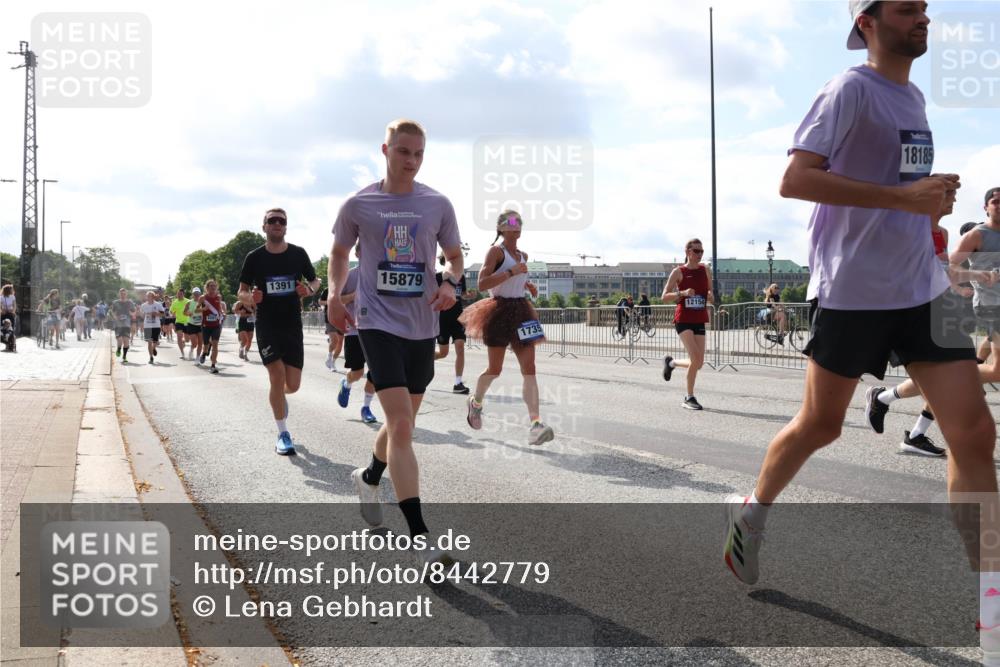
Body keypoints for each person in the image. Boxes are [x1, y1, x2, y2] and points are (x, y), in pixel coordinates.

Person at [721, 8, 998, 657]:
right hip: (853, 288)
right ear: (869, 21)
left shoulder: (915, 96)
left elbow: (901, 185)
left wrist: (930, 197)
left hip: (923, 282)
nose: (923, 16)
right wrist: (905, 198)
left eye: (926, 7)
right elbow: (795, 178)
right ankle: (752, 512)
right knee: (819, 424)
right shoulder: (849, 90)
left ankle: (990, 607)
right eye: (908, 7)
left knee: (975, 431)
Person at [328, 118, 463, 565]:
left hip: (422, 326)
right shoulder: (359, 204)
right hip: (375, 323)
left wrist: (450, 285)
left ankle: (368, 477)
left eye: (419, 154)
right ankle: (422, 538)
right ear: (385, 150)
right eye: (403, 151)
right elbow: (338, 253)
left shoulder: (437, 204)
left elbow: (457, 259)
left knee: (401, 424)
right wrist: (333, 294)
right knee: (403, 426)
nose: (411, 161)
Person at [864, 190, 998, 456]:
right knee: (957, 375)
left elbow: (945, 270)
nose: (954, 200)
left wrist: (958, 286)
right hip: (921, 310)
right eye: (948, 195)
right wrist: (977, 277)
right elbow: (946, 269)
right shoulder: (917, 230)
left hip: (939, 308)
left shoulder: (943, 233)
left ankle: (907, 425)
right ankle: (885, 401)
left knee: (945, 375)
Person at [461, 209, 554, 445]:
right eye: (512, 222)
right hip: (498, 312)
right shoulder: (495, 251)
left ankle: (535, 424)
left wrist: (528, 285)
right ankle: (476, 402)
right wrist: (512, 272)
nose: (517, 226)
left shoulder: (523, 254)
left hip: (522, 312)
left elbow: (515, 280)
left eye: (519, 222)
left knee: (530, 368)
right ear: (501, 228)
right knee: (495, 369)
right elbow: (482, 283)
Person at [238, 207, 319, 455]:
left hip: (292, 324)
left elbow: (316, 281)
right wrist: (250, 297)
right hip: (267, 324)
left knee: (291, 385)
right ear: (264, 226)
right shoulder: (254, 257)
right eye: (271, 220)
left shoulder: (298, 254)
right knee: (276, 375)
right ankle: (283, 433)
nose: (276, 224)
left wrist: (309, 289)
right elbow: (241, 291)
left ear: (285, 226)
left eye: (280, 221)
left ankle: (279, 398)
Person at [661, 239, 714, 410]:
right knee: (696, 359)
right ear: (688, 252)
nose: (700, 254)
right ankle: (689, 397)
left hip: (699, 317)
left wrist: (710, 295)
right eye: (696, 251)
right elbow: (664, 296)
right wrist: (682, 292)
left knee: (698, 362)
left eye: (702, 251)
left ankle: (672, 363)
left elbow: (710, 290)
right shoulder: (678, 271)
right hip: (683, 318)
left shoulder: (705, 270)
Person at [335, 244, 379, 423]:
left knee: (376, 372)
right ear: (358, 253)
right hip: (355, 329)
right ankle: (346, 383)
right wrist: (354, 295)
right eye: (364, 250)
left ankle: (366, 408)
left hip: (378, 328)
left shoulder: (380, 273)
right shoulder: (350, 275)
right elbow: (337, 299)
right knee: (358, 371)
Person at [434, 253, 470, 393]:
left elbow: (462, 294)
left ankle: (458, 383)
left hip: (458, 318)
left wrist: (468, 295)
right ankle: (422, 360)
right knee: (443, 353)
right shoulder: (437, 277)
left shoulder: (460, 277)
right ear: (444, 262)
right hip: (442, 319)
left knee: (460, 348)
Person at [199, 279, 226, 374]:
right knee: (206, 345)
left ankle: (213, 365)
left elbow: (219, 308)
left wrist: (222, 313)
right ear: (207, 287)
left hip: (216, 325)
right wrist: (204, 308)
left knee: (215, 345)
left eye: (215, 286)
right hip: (206, 325)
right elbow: (196, 310)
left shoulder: (219, 297)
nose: (213, 287)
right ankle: (204, 353)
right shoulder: (202, 298)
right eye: (211, 286)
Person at [318, 286, 344, 371]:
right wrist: (330, 302)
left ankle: (333, 362)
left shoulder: (345, 288)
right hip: (330, 317)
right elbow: (320, 302)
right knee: (335, 340)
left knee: (340, 343)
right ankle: (329, 356)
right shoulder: (327, 289)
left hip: (342, 317)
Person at [139, 291, 165, 365]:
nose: (149, 298)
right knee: (149, 342)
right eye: (148, 296)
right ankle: (151, 357)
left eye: (150, 296)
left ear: (153, 297)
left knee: (156, 342)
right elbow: (141, 315)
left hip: (156, 325)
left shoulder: (158, 304)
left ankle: (154, 348)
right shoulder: (143, 305)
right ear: (146, 297)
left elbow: (163, 314)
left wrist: (156, 314)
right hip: (147, 326)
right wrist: (143, 314)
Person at [111, 288, 135, 362]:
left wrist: (131, 314)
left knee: (126, 341)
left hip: (126, 324)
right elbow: (112, 312)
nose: (123, 295)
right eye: (121, 294)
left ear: (126, 294)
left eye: (124, 294)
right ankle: (118, 349)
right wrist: (116, 317)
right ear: (119, 294)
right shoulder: (115, 302)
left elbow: (133, 313)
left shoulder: (130, 303)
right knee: (120, 340)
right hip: (118, 324)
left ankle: (124, 357)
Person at [184, 287, 204, 364]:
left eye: (198, 294)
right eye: (195, 294)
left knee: (200, 342)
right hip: (191, 324)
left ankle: (197, 358)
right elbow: (184, 312)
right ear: (192, 295)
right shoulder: (189, 303)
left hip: (200, 324)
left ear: (200, 294)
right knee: (194, 343)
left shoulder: (203, 302)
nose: (196, 295)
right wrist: (188, 313)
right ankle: (192, 349)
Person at [170, 289, 190, 358]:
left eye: (180, 294)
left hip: (187, 322)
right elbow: (171, 311)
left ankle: (184, 341)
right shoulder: (174, 302)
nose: (179, 295)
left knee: (187, 340)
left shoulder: (188, 301)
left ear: (183, 294)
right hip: (178, 322)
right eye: (178, 294)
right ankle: (182, 353)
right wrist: (172, 313)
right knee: (179, 337)